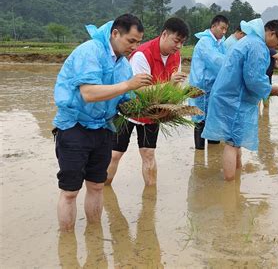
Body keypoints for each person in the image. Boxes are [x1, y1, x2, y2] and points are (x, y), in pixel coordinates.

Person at [53, 14, 153, 232]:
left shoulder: (123, 65)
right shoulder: (90, 51)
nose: (135, 47)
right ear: (115, 33)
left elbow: (125, 103)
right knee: (70, 191)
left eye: (138, 42)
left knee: (97, 186)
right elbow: (88, 93)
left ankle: (94, 238)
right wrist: (128, 85)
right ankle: (67, 244)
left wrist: (154, 110)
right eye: (131, 41)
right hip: (74, 127)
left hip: (103, 128)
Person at [106, 17, 190, 186]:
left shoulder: (176, 56)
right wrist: (170, 84)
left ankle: (150, 200)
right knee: (115, 154)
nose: (178, 46)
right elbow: (139, 90)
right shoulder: (142, 55)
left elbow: (175, 88)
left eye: (182, 43)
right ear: (164, 34)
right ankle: (102, 189)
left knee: (148, 153)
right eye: (176, 41)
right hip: (128, 110)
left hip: (153, 113)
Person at [201, 18, 278, 181]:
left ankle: (235, 180)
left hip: (230, 97)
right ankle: (230, 187)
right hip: (234, 100)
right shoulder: (257, 46)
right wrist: (270, 89)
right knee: (232, 143)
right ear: (271, 33)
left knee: (235, 141)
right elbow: (253, 79)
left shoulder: (250, 40)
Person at [189, 15, 229, 149]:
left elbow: (227, 56)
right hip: (201, 86)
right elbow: (217, 61)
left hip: (214, 87)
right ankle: (199, 155)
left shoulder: (220, 42)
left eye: (226, 29)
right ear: (213, 26)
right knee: (200, 119)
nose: (224, 32)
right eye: (222, 28)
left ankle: (213, 157)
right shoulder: (205, 42)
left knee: (214, 119)